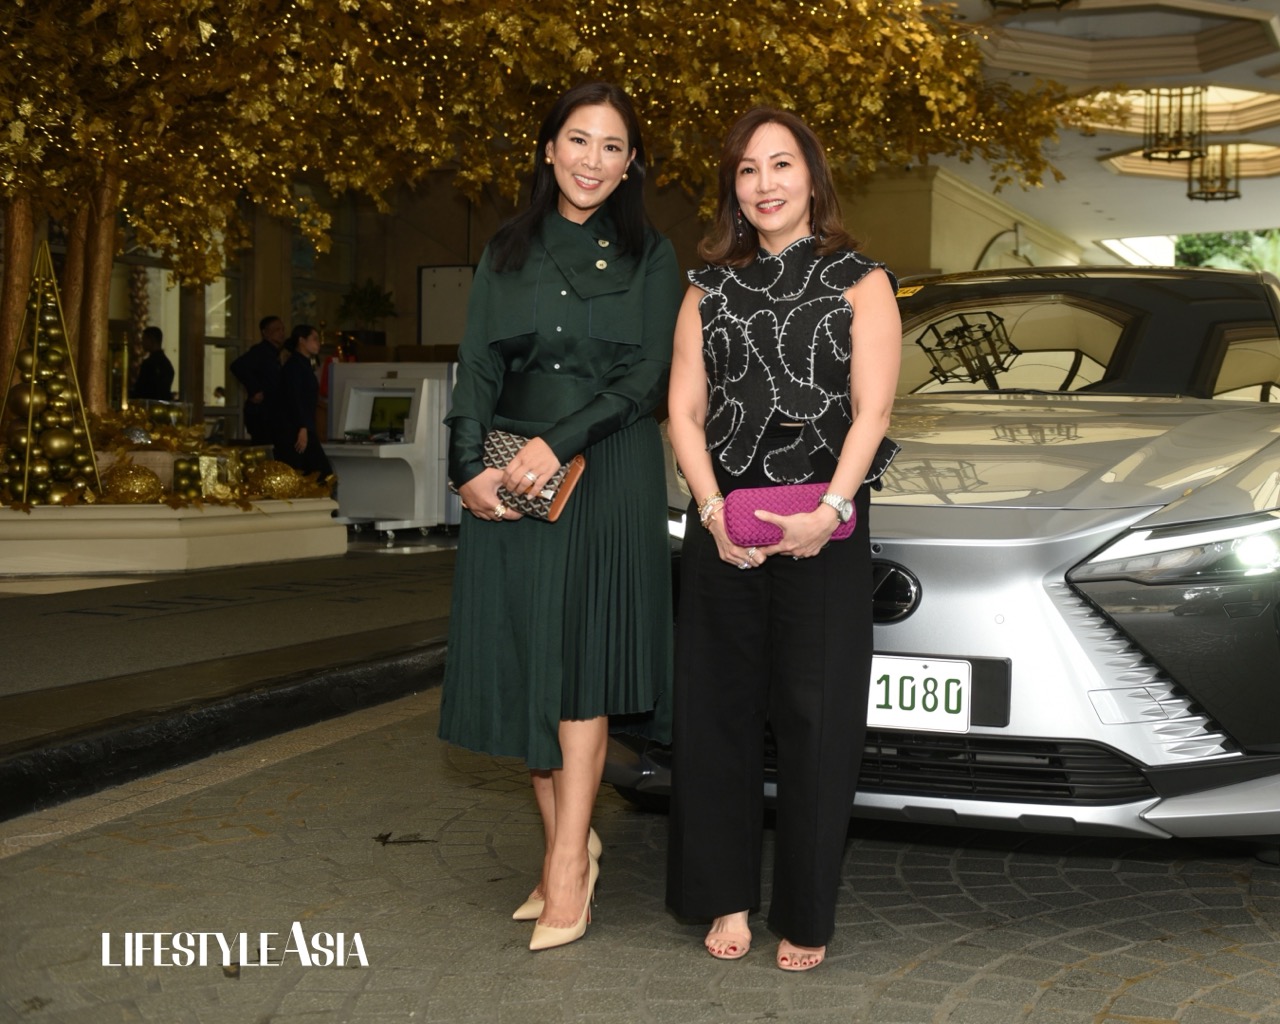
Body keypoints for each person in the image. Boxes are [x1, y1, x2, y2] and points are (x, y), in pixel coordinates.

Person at [440, 82, 681, 952]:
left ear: (630, 164)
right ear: (549, 149)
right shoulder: (506, 249)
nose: (592, 160)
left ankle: (570, 867)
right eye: (578, 140)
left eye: (612, 147)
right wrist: (467, 466)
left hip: (606, 471)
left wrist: (557, 443)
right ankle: (563, 847)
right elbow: (476, 363)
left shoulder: (652, 255)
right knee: (530, 662)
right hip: (512, 475)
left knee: (578, 664)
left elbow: (646, 378)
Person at [664, 108, 902, 972]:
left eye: (781, 165)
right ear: (733, 188)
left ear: (811, 177)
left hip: (825, 527)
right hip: (725, 525)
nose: (765, 184)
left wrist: (830, 512)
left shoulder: (860, 281)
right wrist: (711, 510)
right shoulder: (706, 288)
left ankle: (806, 914)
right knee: (716, 717)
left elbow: (873, 410)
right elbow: (682, 410)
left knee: (817, 721)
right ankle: (725, 895)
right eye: (747, 169)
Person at [272, 324, 332, 479]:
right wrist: (302, 427)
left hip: (303, 427)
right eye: (314, 339)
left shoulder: (303, 364)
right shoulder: (295, 366)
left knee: (313, 474)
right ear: (302, 341)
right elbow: (294, 398)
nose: (318, 343)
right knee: (319, 475)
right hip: (297, 429)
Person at [230, 315, 286, 441]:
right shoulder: (260, 351)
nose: (281, 333)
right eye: (277, 329)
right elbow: (237, 366)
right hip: (262, 413)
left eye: (283, 329)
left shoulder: (275, 353)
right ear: (265, 332)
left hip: (271, 412)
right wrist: (254, 390)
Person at [130, 326, 174, 401]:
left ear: (152, 340)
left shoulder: (149, 364)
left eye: (144, 339)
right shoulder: (167, 364)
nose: (142, 343)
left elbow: (141, 390)